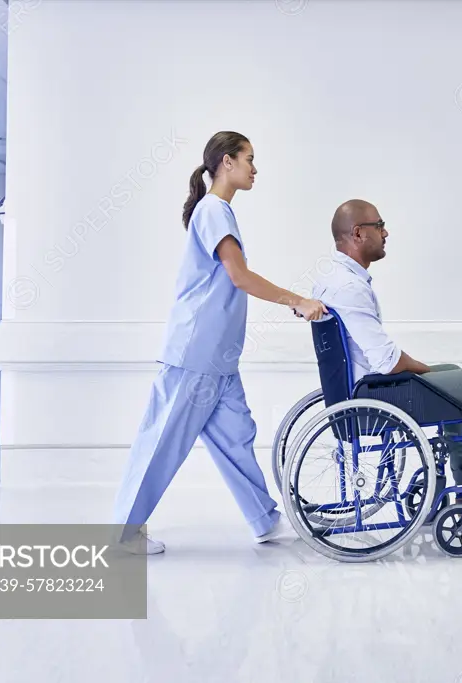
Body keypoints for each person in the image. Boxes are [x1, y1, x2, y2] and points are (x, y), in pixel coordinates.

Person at [113, 131, 327, 554]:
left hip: (219, 357)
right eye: (249, 158)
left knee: (237, 437)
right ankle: (122, 535)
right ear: (226, 162)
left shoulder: (219, 211)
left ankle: (264, 519)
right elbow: (238, 275)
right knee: (162, 442)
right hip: (196, 352)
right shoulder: (213, 210)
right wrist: (296, 300)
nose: (254, 168)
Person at [311, 199, 462, 517]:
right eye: (379, 226)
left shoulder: (332, 277)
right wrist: (421, 369)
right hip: (375, 398)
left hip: (362, 389)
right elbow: (387, 361)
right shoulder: (349, 287)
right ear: (359, 233)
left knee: (456, 373)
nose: (386, 232)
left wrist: (423, 371)